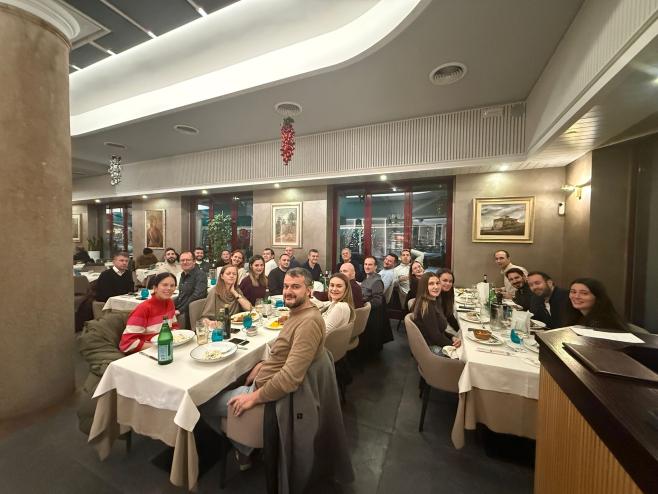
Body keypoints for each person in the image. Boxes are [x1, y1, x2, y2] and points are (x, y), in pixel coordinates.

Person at [199, 268, 325, 467]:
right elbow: (288, 356)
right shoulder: (300, 313)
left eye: (296, 287)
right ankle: (244, 441)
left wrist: (253, 397)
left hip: (268, 398)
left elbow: (290, 378)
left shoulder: (308, 323)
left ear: (309, 290)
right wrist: (264, 363)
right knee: (234, 377)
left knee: (200, 403)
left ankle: (243, 446)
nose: (288, 291)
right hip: (264, 384)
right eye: (286, 286)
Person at [119, 272, 179, 353]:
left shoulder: (169, 302)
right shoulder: (144, 308)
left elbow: (174, 326)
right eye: (165, 285)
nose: (169, 288)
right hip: (149, 351)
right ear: (155, 288)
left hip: (167, 348)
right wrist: (160, 347)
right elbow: (127, 344)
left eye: (172, 285)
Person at [412, 272, 461, 355]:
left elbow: (439, 331)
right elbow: (436, 337)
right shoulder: (427, 307)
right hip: (430, 348)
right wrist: (453, 344)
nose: (436, 287)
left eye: (437, 283)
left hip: (435, 342)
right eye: (431, 284)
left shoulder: (435, 301)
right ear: (424, 287)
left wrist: (452, 337)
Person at [175, 251, 208, 328]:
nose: (185, 262)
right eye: (182, 260)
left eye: (188, 260)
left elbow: (197, 296)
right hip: (181, 307)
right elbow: (181, 295)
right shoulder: (183, 274)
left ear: (194, 261)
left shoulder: (200, 275)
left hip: (191, 311)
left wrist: (180, 310)